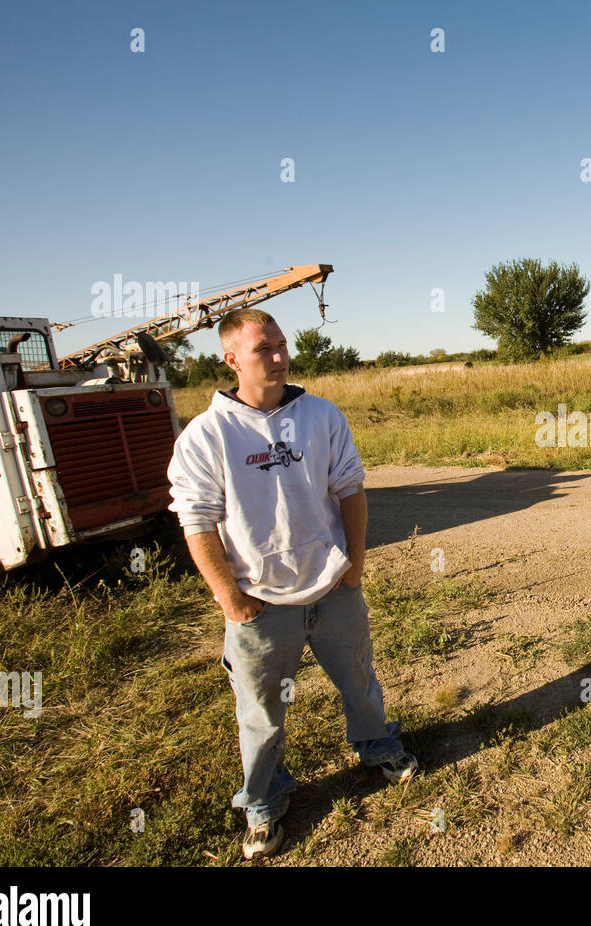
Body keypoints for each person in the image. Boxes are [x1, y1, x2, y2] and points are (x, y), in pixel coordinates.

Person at [167, 307, 417, 860]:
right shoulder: (207, 435)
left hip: (331, 588)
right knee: (259, 712)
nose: (279, 356)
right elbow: (197, 520)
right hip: (259, 603)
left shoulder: (321, 415)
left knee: (358, 677)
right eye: (263, 349)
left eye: (281, 345)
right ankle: (264, 803)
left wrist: (353, 564)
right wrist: (229, 597)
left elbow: (350, 487)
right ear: (231, 359)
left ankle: (378, 747)